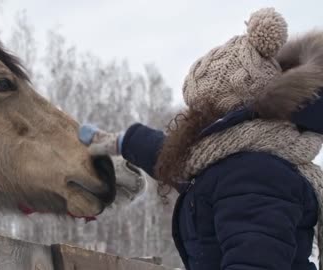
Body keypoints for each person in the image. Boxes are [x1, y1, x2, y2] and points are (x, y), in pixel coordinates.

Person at [79, 8, 323, 270]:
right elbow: (180, 155)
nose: (192, 120)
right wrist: (123, 141)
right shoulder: (236, 157)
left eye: (201, 111)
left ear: (228, 115)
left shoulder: (256, 175)